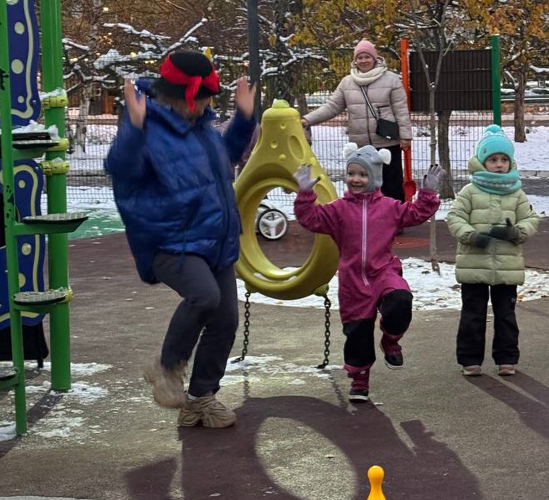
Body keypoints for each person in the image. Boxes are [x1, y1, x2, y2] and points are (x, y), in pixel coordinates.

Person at [105, 51, 257, 427]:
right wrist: (133, 128)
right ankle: (166, 365)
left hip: (214, 240)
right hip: (169, 241)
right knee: (204, 295)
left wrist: (244, 117)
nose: (205, 104)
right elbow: (121, 168)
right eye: (201, 98)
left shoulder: (202, 128)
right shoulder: (149, 129)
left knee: (224, 320)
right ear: (176, 98)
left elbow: (230, 155)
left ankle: (201, 399)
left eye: (208, 98)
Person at [293, 143, 444, 403]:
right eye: (351, 173)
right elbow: (310, 219)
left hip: (382, 271)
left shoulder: (389, 207)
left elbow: (417, 213)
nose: (356, 179)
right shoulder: (338, 209)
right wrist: (305, 193)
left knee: (400, 300)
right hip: (353, 278)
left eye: (362, 174)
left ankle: (391, 340)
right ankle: (360, 379)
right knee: (357, 333)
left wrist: (427, 192)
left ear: (374, 178)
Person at [446, 125, 539, 377]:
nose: (499, 165)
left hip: (507, 265)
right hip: (474, 263)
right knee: (472, 315)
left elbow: (531, 219)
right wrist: (471, 235)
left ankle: (506, 358)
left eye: (504, 160)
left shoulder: (516, 193)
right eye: (493, 159)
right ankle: (469, 359)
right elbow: (454, 217)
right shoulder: (470, 191)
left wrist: (516, 232)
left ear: (510, 162)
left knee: (506, 315)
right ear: (482, 161)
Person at [300, 40, 412, 202]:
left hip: (386, 143)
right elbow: (332, 107)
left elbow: (401, 109)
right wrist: (307, 120)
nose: (364, 60)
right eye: (360, 57)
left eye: (367, 56)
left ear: (375, 58)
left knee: (391, 185)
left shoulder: (391, 80)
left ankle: (395, 222)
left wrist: (405, 136)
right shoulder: (347, 82)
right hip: (361, 145)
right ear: (355, 60)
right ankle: (363, 221)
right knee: (362, 185)